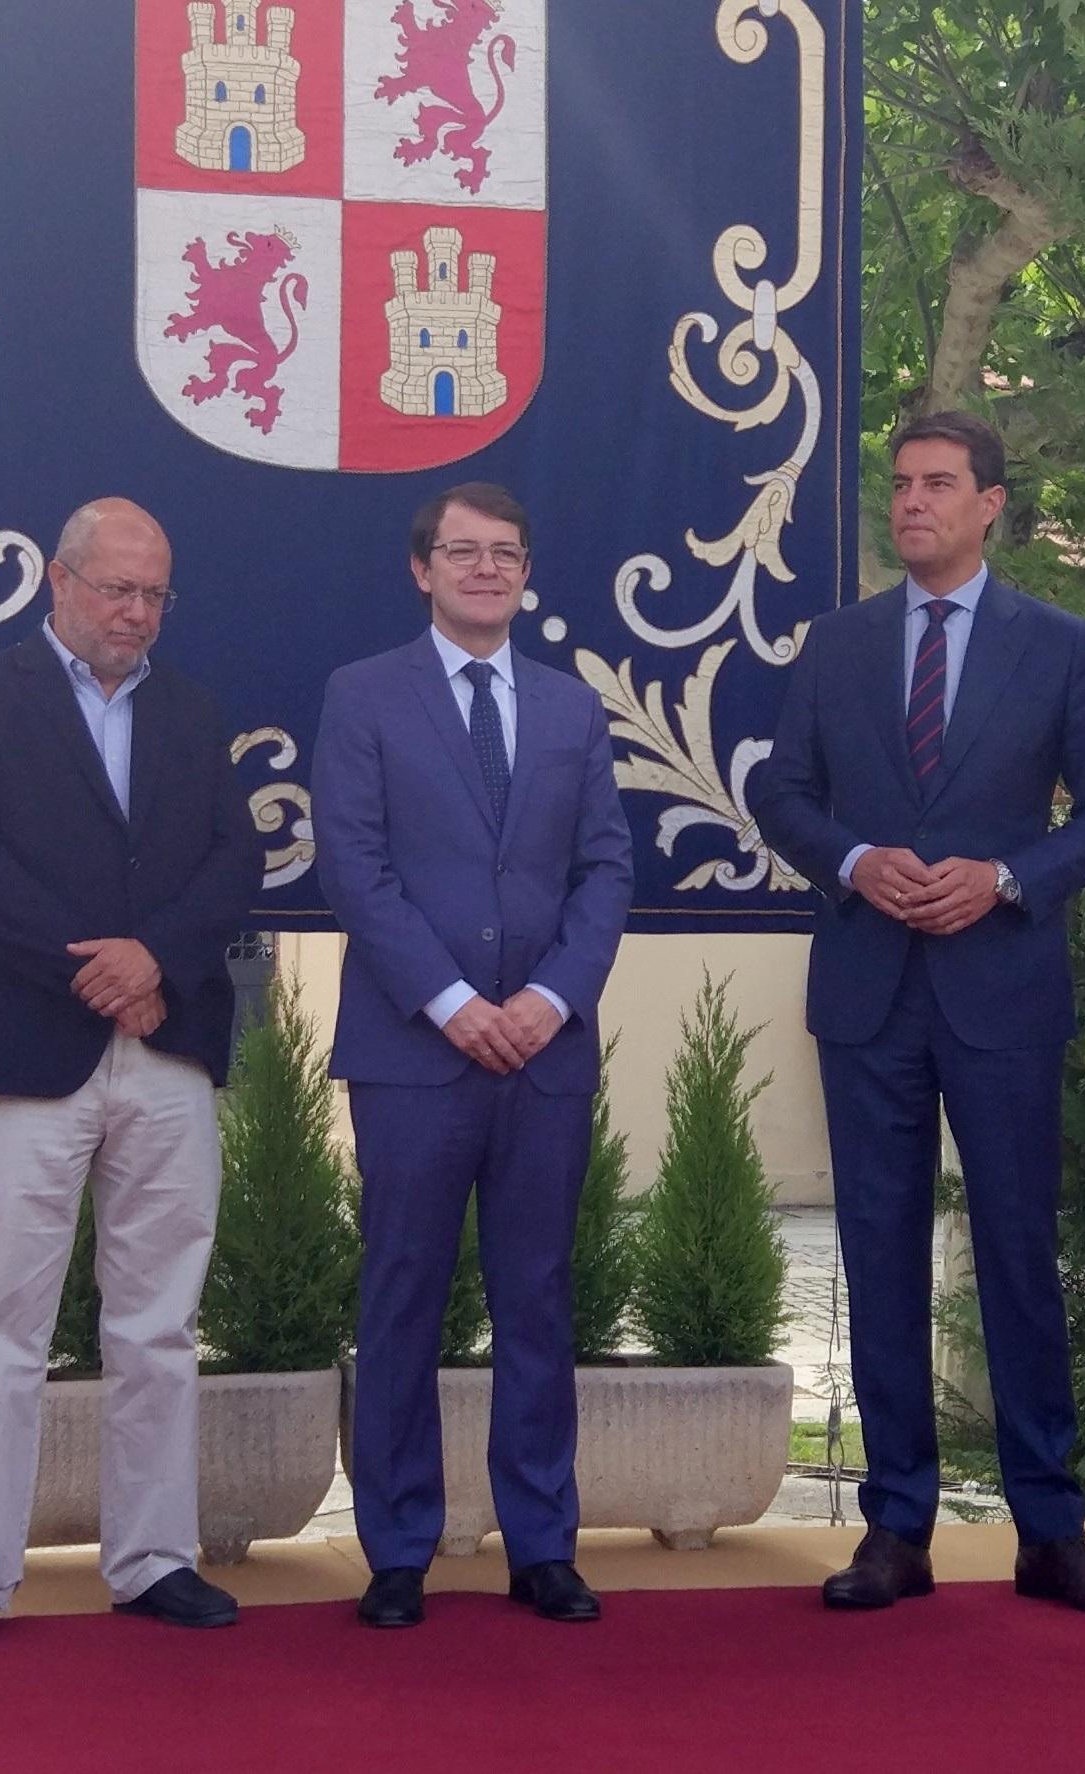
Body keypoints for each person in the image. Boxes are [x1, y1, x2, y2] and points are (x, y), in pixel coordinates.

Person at [751, 410, 1085, 1616]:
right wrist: (855, 859)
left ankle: (1047, 1526)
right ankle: (895, 1527)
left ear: (989, 504)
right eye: (899, 484)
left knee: (1018, 1256)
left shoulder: (1058, 645)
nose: (910, 503)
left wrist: (1006, 876)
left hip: (1003, 993)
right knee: (877, 1253)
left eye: (936, 484)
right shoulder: (836, 644)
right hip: (869, 994)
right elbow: (780, 788)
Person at [0, 497, 261, 1649]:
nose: (135, 612)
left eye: (154, 593)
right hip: (26, 1049)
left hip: (164, 1049)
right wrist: (101, 969)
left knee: (158, 1323)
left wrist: (155, 957)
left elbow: (233, 859)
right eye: (116, 587)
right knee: (2, 1326)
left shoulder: (193, 711)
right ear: (58, 582)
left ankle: (153, 1557)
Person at [312, 482, 633, 1629]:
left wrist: (547, 998)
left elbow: (604, 868)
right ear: (422, 569)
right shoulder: (363, 697)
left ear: (525, 571)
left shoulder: (569, 708)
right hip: (414, 1055)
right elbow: (354, 868)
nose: (485, 568)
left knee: (538, 1299)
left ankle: (541, 1543)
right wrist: (453, 1003)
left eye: (505, 552)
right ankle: (398, 1547)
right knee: (401, 1295)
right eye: (462, 551)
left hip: (542, 1056)